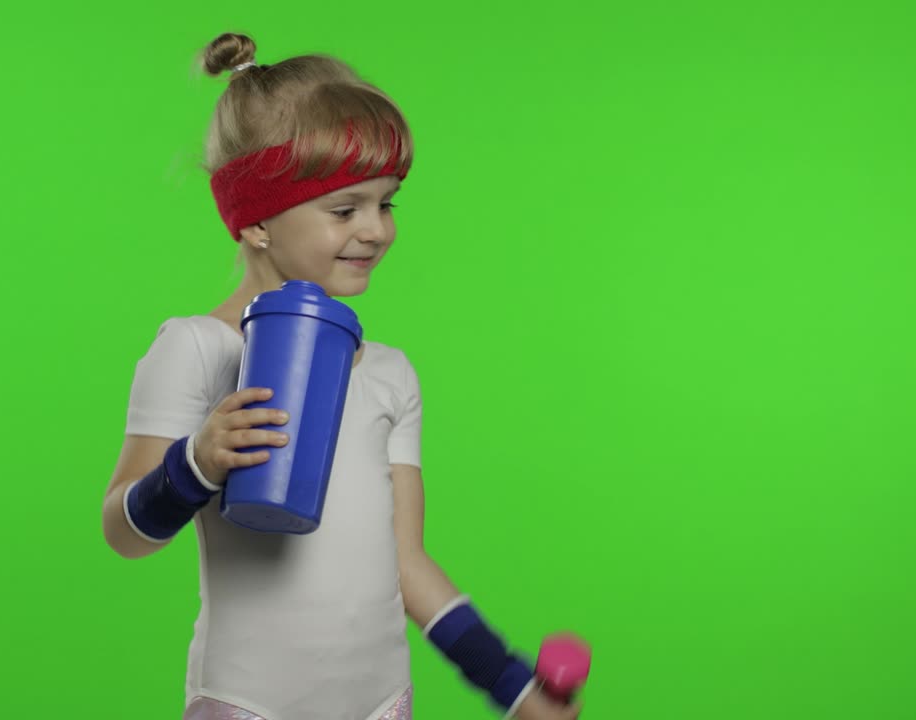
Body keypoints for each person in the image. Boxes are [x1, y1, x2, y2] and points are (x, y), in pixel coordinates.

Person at [101, 31, 585, 720]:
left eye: (386, 203)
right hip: (248, 701)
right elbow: (124, 533)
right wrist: (196, 463)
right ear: (257, 221)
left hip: (380, 702)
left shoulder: (390, 374)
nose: (377, 230)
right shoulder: (198, 349)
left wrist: (511, 686)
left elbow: (406, 561)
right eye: (344, 209)